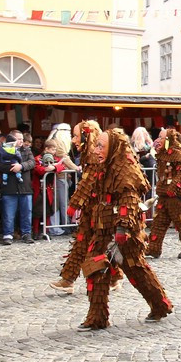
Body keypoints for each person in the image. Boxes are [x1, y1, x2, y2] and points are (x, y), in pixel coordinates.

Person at [75, 128, 173, 331]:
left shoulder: (126, 170)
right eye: (96, 145)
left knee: (136, 270)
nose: (96, 150)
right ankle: (98, 317)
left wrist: (123, 228)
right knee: (94, 270)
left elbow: (129, 201)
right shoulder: (102, 167)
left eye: (101, 146)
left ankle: (159, 305)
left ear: (113, 147)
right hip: (103, 230)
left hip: (125, 232)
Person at [50, 120, 102, 293]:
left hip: (101, 211)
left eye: (76, 135)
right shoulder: (88, 154)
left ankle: (113, 279)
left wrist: (74, 204)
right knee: (80, 245)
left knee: (105, 248)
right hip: (90, 210)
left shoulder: (95, 155)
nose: (73, 140)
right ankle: (68, 280)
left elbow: (87, 184)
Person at [145, 128, 181, 258]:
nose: (159, 140)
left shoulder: (179, 155)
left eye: (161, 138)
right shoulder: (162, 154)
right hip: (163, 195)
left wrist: (173, 188)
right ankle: (153, 249)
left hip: (177, 197)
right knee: (158, 224)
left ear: (168, 139)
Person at [0, 131, 36, 245]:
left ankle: (26, 233)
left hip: (25, 187)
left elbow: (32, 163)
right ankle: (8, 234)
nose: (21, 141)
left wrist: (21, 166)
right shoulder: (2, 150)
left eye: (22, 139)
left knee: (26, 212)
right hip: (9, 187)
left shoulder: (27, 150)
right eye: (18, 139)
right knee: (8, 213)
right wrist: (10, 167)